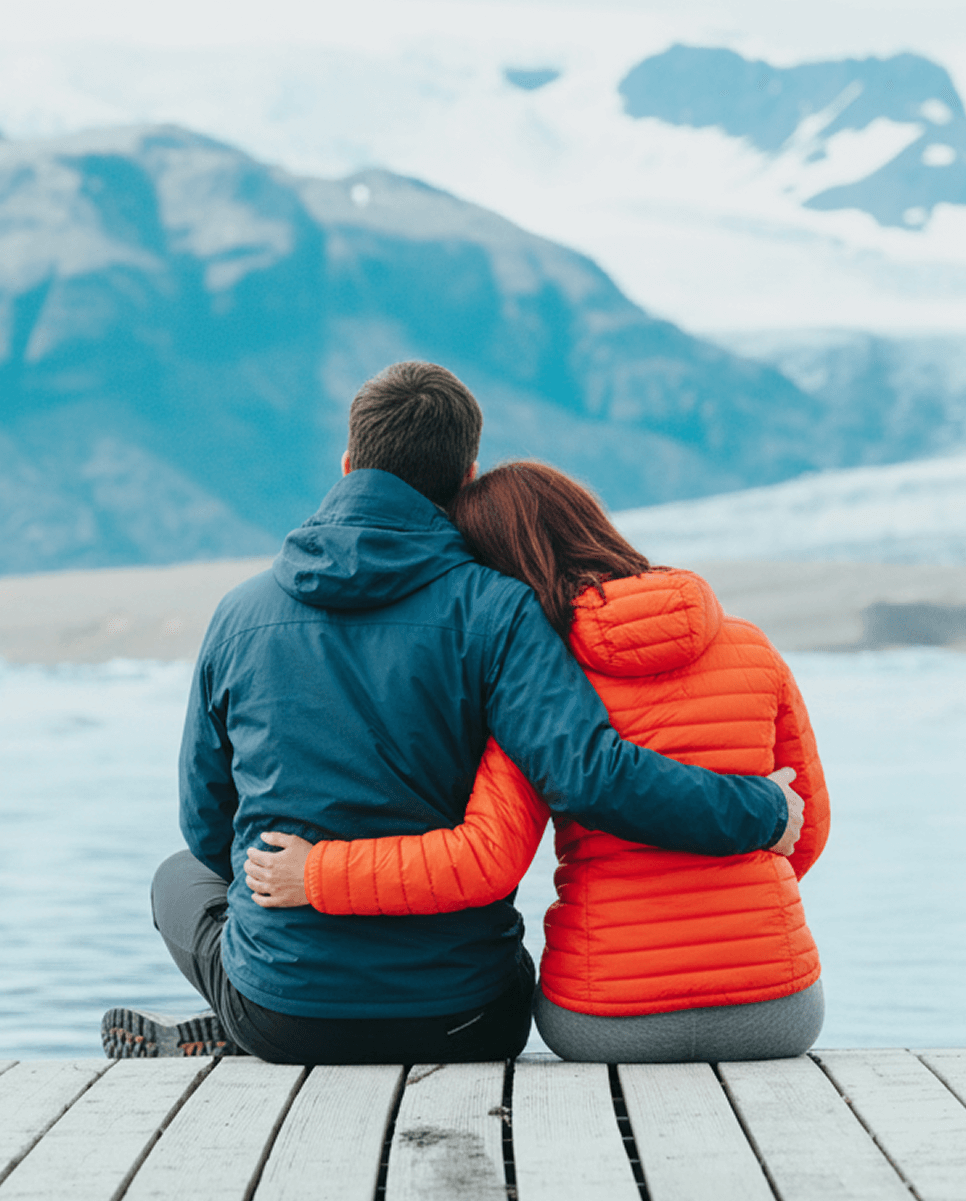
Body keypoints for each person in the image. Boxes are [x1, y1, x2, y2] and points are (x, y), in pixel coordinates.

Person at [102, 364, 800, 1065]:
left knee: (178, 878)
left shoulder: (240, 615)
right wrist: (763, 810)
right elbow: (589, 776)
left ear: (347, 463)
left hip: (287, 1017)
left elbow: (207, 825)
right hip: (473, 1018)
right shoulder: (502, 610)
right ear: (467, 478)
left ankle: (248, 1008)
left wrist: (299, 908)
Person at [247, 461, 829, 1063]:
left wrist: (316, 873)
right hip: (778, 1008)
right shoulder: (751, 647)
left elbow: (483, 862)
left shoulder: (537, 685)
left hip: (606, 1016)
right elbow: (805, 829)